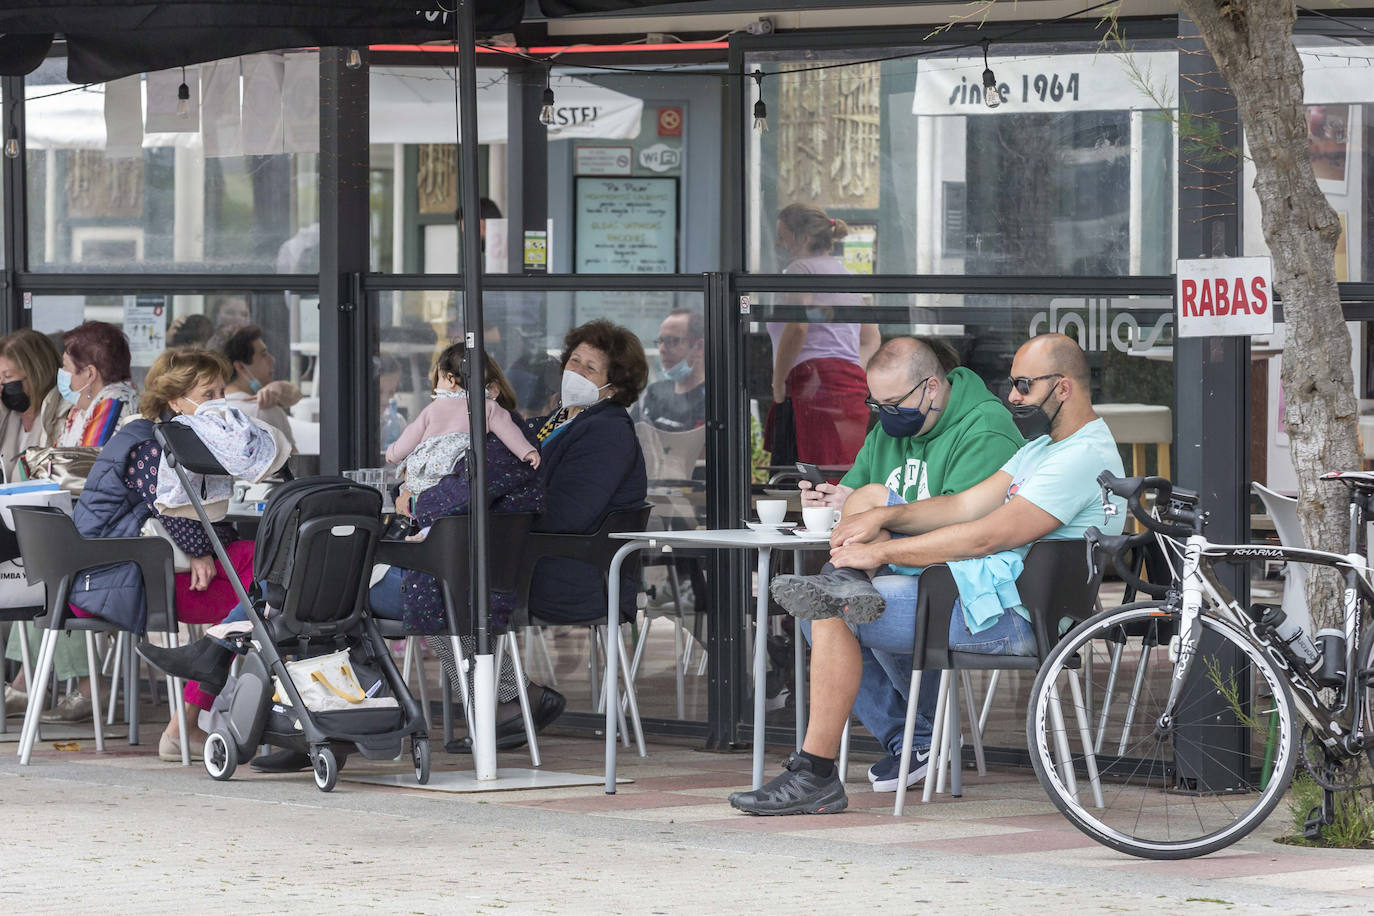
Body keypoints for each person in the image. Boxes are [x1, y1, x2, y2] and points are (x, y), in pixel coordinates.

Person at [730, 334, 1125, 815]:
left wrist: (883, 550)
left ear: (1061, 388)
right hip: (989, 599)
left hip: (1016, 619)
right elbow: (962, 505)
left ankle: (817, 771)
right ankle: (846, 590)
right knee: (845, 578)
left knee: (829, 610)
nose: (1013, 396)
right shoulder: (1042, 449)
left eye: (1023, 385)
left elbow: (984, 535)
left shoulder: (1079, 458)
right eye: (1011, 384)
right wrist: (883, 519)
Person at [796, 337, 1023, 792]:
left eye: (893, 402)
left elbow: (967, 523)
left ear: (932, 388)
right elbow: (861, 498)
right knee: (820, 611)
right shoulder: (890, 426)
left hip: (963, 580)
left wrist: (877, 514)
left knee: (849, 603)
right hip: (897, 566)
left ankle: (923, 737)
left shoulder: (986, 428)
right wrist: (839, 499)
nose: (884, 414)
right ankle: (912, 738)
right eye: (875, 403)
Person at [74, 348, 285, 762]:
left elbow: (190, 513)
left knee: (270, 577)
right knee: (272, 583)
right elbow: (167, 505)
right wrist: (199, 549)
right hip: (121, 579)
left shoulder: (163, 434)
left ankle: (206, 674)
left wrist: (202, 547)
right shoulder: (148, 444)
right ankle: (187, 720)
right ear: (175, 401)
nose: (220, 401)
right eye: (208, 394)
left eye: (222, 390)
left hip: (132, 569)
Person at [525, 320, 650, 627]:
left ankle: (497, 677)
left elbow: (566, 513)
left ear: (614, 388)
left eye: (590, 369)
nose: (575, 372)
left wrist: (501, 511)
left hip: (573, 575)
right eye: (574, 361)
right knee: (447, 580)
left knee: (452, 587)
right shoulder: (561, 418)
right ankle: (493, 676)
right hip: (540, 562)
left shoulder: (607, 432)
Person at [766, 203, 880, 467]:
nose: (779, 244)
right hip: (849, 384)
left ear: (803, 238)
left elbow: (797, 327)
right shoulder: (848, 276)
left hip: (807, 383)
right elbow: (871, 338)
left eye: (783, 236)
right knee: (839, 470)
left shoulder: (800, 269)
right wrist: (847, 364)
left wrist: (778, 381)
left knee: (800, 475)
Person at [0, 330, 74, 718]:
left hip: (50, 525)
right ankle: (24, 682)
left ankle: (29, 683)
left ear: (36, 371)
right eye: (0, 379)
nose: (6, 386)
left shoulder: (60, 412)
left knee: (46, 579)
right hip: (15, 529)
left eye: (12, 377)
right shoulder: (8, 416)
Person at [385, 345, 538, 515]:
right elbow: (510, 433)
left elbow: (411, 435)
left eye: (439, 380)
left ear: (450, 380)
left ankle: (423, 528)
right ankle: (424, 529)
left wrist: (393, 453)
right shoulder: (488, 408)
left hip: (430, 473)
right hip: (452, 466)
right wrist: (527, 451)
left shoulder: (435, 408)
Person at [57, 321, 139, 449]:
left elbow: (86, 465)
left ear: (90, 374)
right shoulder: (79, 409)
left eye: (66, 366)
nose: (62, 371)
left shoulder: (113, 404)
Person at [222, 324, 301, 453]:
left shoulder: (208, 411)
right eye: (263, 355)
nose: (272, 359)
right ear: (241, 367)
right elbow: (293, 466)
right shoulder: (264, 410)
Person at [637, 308, 706, 433]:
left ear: (699, 347)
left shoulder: (713, 400)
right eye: (660, 341)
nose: (662, 349)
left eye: (672, 341)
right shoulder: (652, 393)